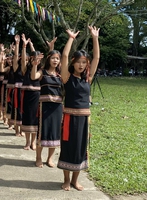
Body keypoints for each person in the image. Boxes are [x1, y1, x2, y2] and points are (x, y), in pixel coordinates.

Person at [57, 26, 100, 191]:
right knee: (68, 148)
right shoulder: (67, 78)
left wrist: (94, 38)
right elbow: (65, 55)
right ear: (73, 63)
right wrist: (71, 38)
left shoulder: (87, 79)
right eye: (78, 62)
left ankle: (76, 180)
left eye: (84, 62)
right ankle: (66, 180)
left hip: (83, 119)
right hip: (69, 119)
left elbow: (96, 57)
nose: (81, 65)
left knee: (80, 150)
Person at [30, 37, 63, 168]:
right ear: (48, 59)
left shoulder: (60, 74)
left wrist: (51, 47)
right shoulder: (42, 72)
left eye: (58, 58)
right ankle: (38, 157)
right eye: (53, 58)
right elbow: (33, 77)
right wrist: (34, 65)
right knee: (42, 132)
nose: (55, 60)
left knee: (55, 132)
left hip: (57, 107)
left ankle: (50, 158)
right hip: (45, 106)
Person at [20, 34, 40, 150]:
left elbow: (36, 55)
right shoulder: (25, 68)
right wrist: (23, 46)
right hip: (27, 95)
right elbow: (23, 59)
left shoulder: (39, 69)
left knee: (35, 118)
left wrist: (32, 45)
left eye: (36, 58)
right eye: (32, 58)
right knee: (27, 118)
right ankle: (27, 142)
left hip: (37, 95)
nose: (34, 59)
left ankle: (33, 142)